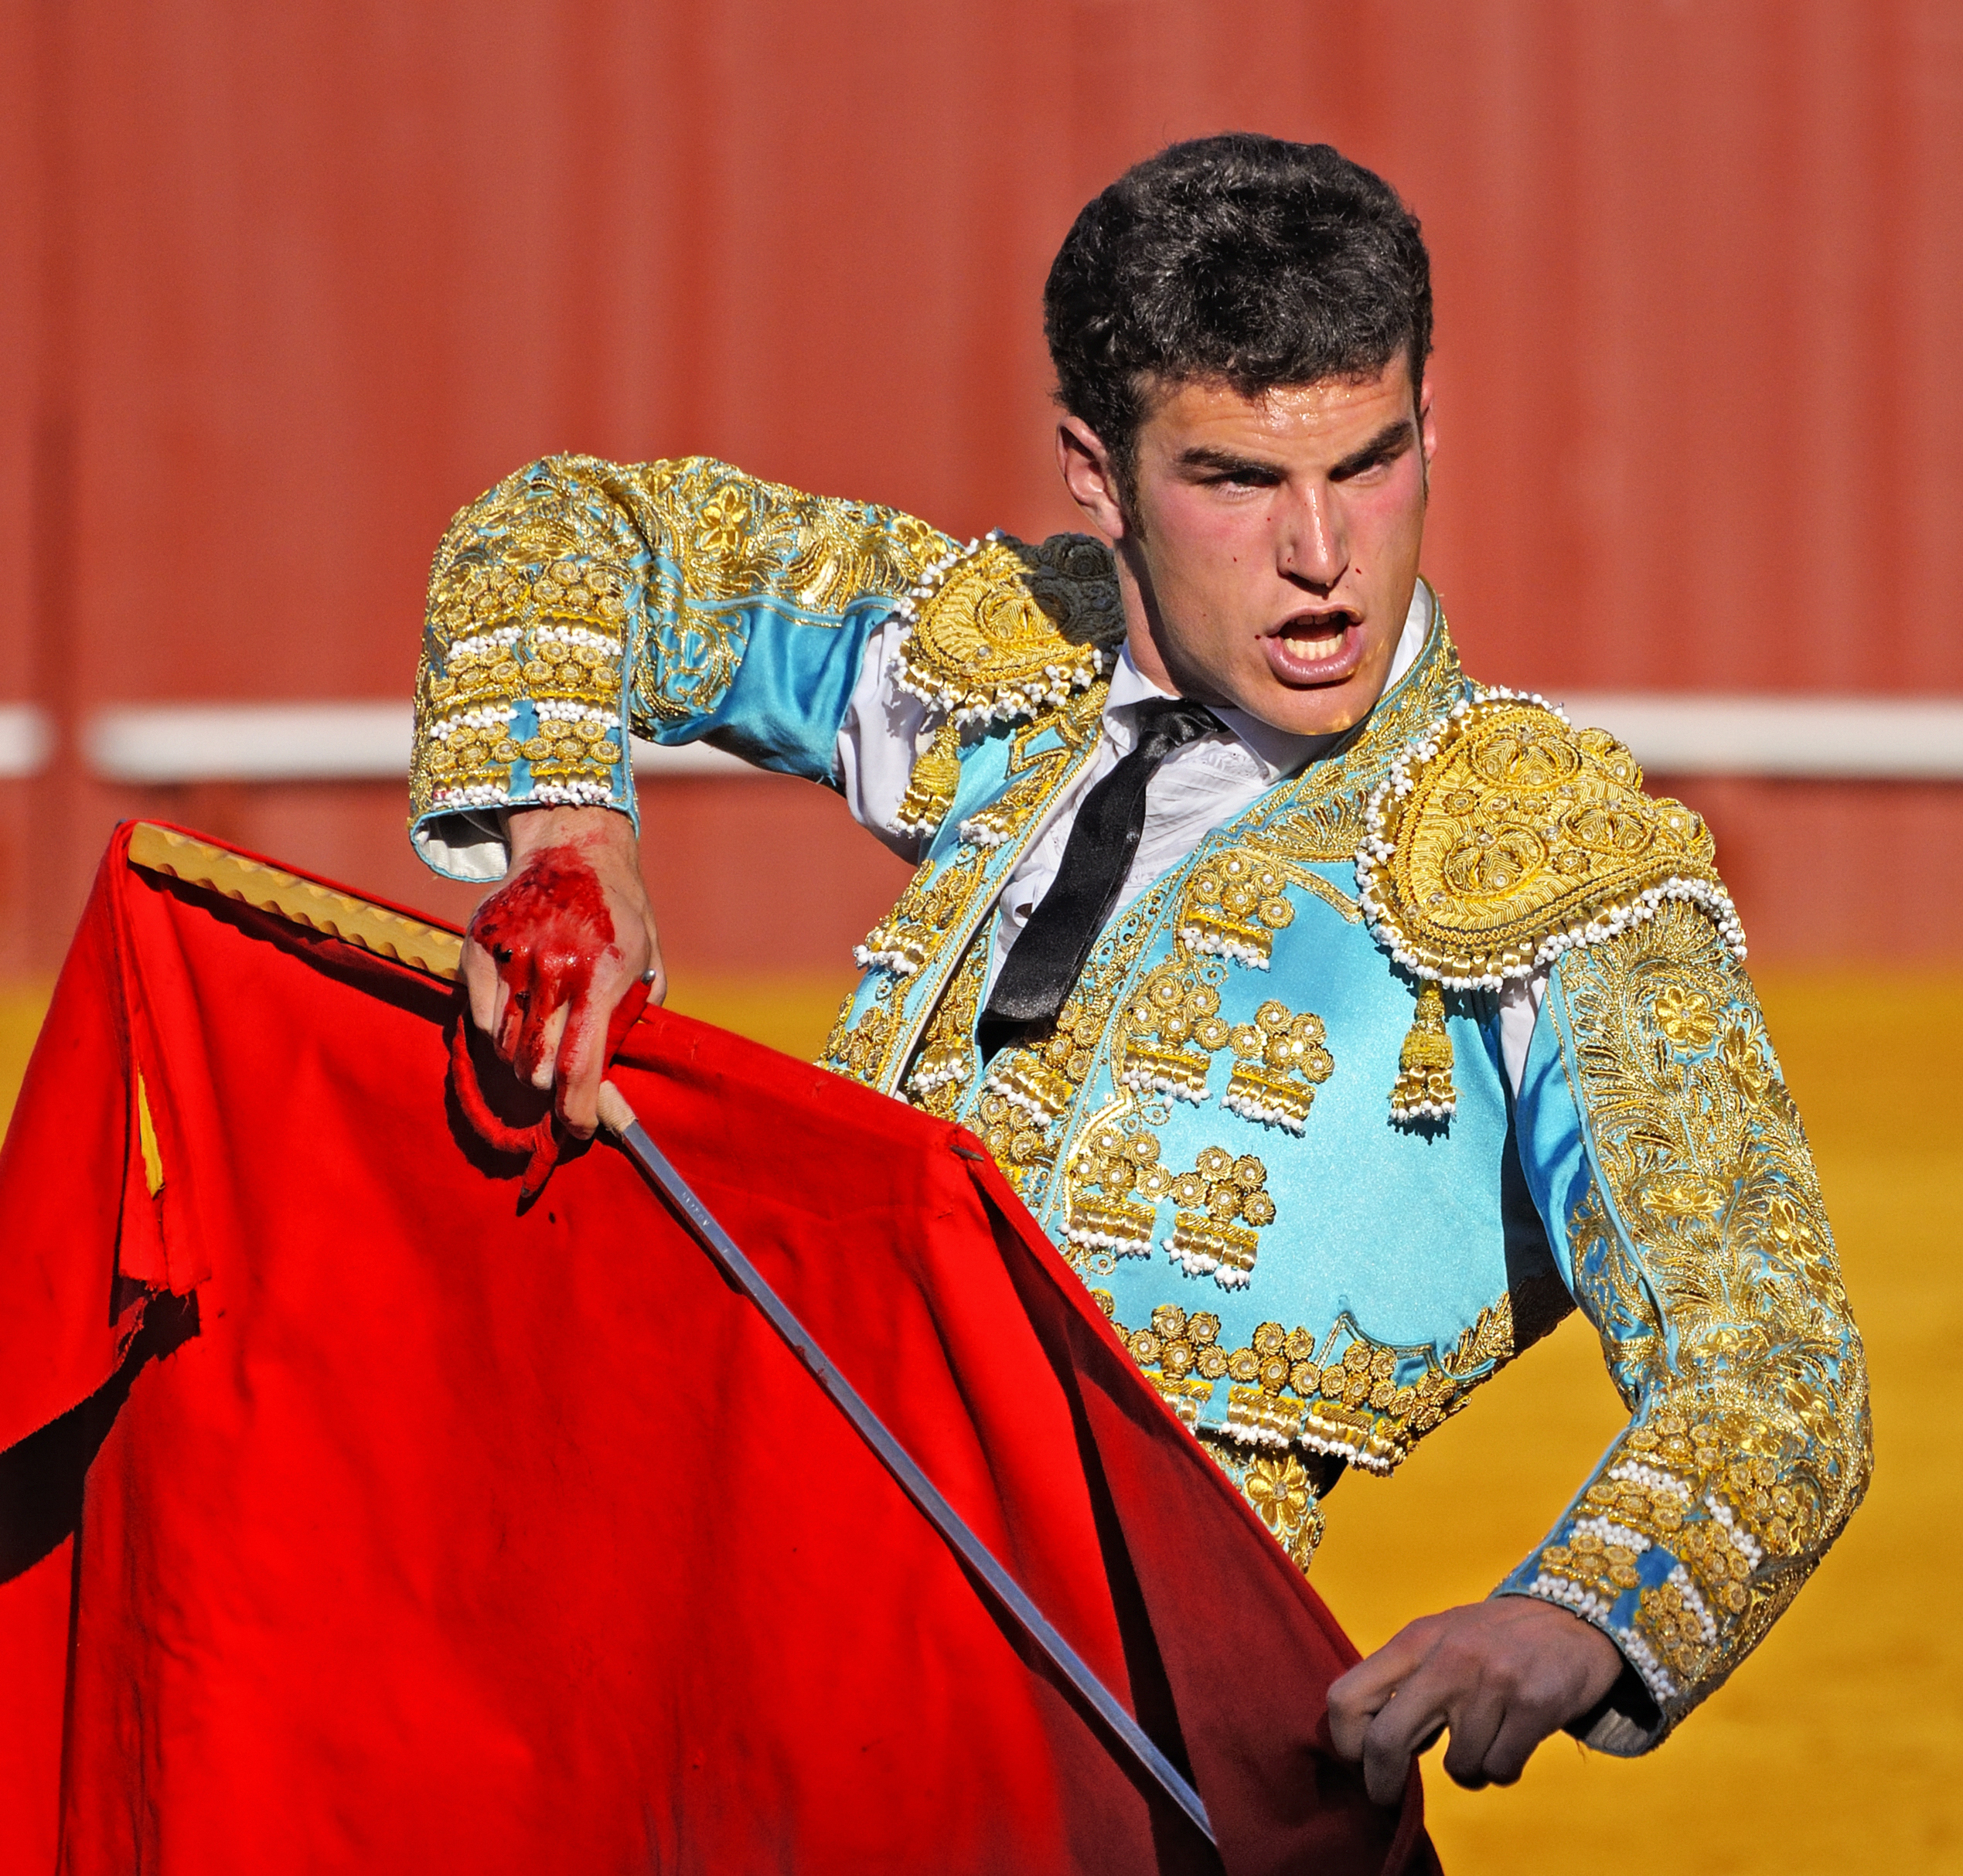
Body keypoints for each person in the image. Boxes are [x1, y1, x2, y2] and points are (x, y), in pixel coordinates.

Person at [407, 134, 1868, 1803]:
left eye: (1369, 462)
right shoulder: (1004, 669)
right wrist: (571, 842)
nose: (1322, 553)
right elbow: (570, 529)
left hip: (1123, 1719)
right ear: (1097, 478)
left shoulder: (1556, 867)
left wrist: (1574, 1614)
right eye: (1237, 480)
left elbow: (1772, 1364)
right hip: (748, 1606)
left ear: (1426, 431)